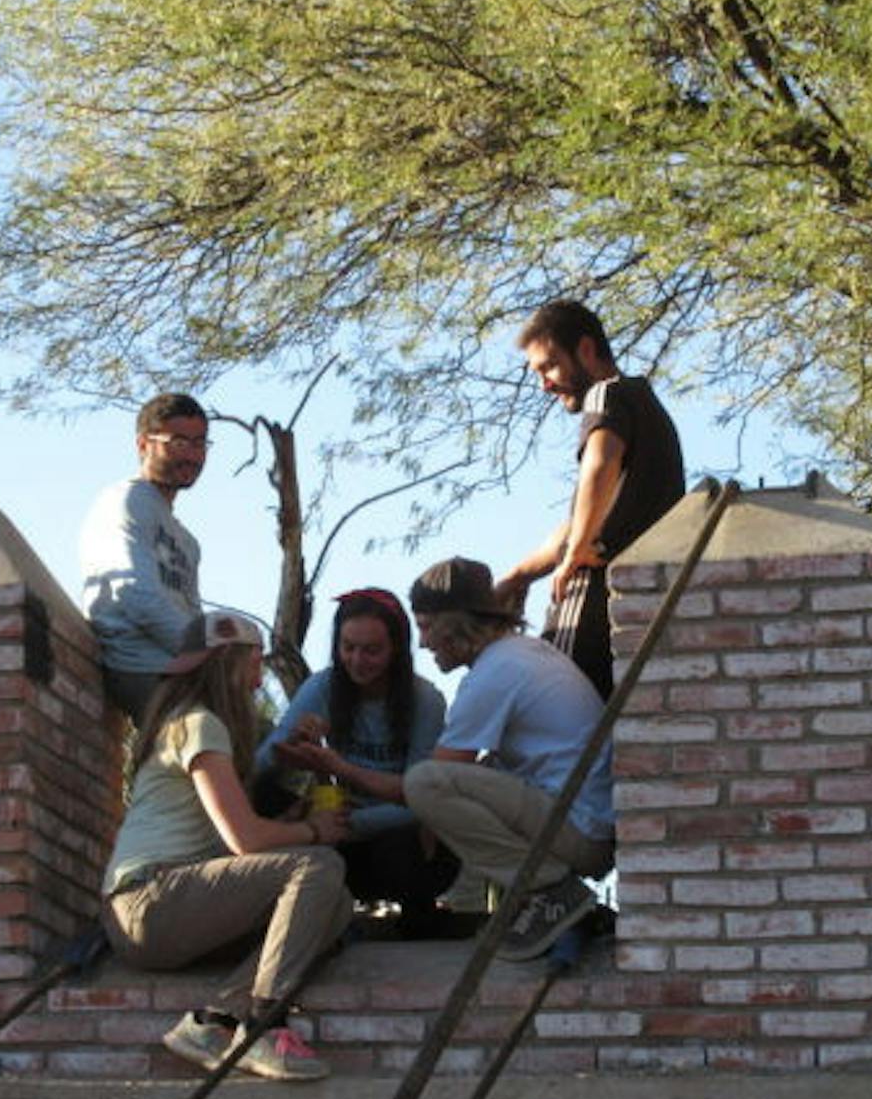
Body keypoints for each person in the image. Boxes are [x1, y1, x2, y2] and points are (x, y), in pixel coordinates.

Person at [99, 610, 354, 1080]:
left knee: (333, 906)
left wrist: (292, 819)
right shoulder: (198, 723)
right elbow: (247, 841)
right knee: (317, 865)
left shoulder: (186, 724)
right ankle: (262, 1026)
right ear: (230, 663)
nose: (259, 682)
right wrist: (314, 831)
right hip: (147, 901)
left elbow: (238, 841)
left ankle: (214, 1021)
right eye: (257, 664)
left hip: (167, 908)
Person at [401, 557, 616, 962]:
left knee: (424, 784)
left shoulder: (494, 671)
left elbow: (438, 774)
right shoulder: (521, 653)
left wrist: (339, 772)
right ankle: (533, 898)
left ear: (454, 624)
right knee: (467, 777)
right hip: (584, 822)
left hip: (579, 830)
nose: (423, 642)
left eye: (426, 626)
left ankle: (551, 892)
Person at [253, 588, 468, 939]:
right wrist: (290, 747)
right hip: (335, 827)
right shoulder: (323, 686)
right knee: (260, 794)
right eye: (348, 647)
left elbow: (423, 800)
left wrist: (349, 821)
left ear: (396, 649)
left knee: (411, 838)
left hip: (393, 837)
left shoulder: (424, 700)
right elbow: (261, 764)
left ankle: (419, 914)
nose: (357, 660)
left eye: (372, 650)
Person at [496, 300, 684, 698]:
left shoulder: (606, 394)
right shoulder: (647, 407)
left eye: (549, 366)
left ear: (585, 350)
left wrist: (576, 552)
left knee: (555, 712)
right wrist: (518, 576)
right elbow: (578, 521)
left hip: (593, 603)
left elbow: (600, 464)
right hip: (637, 612)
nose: (545, 383)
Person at [79, 392, 210, 719]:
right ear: (143, 445)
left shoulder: (188, 542)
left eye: (199, 444)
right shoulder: (127, 501)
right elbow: (135, 593)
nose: (192, 455)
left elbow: (193, 615)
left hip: (185, 672)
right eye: (179, 442)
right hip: (139, 666)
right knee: (224, 740)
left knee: (272, 746)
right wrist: (206, 655)